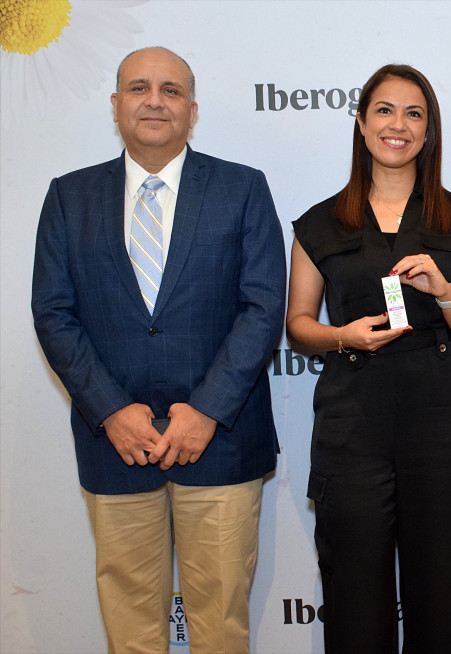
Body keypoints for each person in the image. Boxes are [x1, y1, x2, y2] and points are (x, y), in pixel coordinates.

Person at [31, 47, 286, 653]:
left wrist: (206, 411)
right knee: (131, 625)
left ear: (192, 110)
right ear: (115, 105)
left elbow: (261, 308)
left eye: (171, 90)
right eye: (139, 87)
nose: (154, 100)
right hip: (115, 443)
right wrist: (110, 409)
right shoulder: (69, 197)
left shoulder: (242, 188)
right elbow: (54, 313)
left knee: (220, 623)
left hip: (220, 442)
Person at [286, 64, 451, 653]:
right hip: (353, 427)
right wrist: (343, 336)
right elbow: (299, 324)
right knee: (354, 603)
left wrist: (445, 293)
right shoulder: (318, 223)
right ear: (360, 122)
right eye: (384, 110)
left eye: (413, 113)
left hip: (441, 426)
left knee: (441, 597)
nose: (397, 125)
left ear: (429, 132)